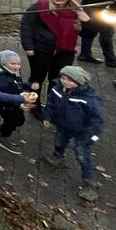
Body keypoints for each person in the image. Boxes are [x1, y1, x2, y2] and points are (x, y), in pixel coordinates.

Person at [20, 0, 90, 118]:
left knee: (58, 81)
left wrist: (86, 22)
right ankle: (35, 106)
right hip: (41, 49)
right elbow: (26, 25)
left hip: (65, 52)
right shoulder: (40, 7)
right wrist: (28, 46)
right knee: (37, 79)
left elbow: (88, 34)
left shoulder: (77, 10)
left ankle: (53, 106)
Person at [42, 66, 106, 202]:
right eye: (63, 78)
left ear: (79, 82)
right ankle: (57, 157)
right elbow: (51, 103)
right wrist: (47, 116)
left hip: (83, 132)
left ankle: (89, 182)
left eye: (70, 80)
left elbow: (97, 119)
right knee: (59, 141)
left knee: (82, 154)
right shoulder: (57, 89)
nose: (65, 82)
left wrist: (92, 136)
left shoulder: (89, 98)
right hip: (63, 125)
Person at [0, 50, 37, 154]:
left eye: (18, 64)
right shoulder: (2, 79)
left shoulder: (13, 72)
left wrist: (29, 86)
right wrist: (20, 101)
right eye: (13, 64)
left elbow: (18, 84)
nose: (17, 66)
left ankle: (2, 129)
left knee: (17, 120)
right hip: (7, 106)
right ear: (4, 63)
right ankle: (3, 138)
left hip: (16, 102)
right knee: (12, 121)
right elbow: (6, 96)